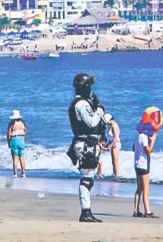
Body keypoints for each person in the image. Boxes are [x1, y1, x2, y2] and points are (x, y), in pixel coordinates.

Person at [66, 73, 106, 223]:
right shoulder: (82, 104)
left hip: (84, 143)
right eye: (89, 86)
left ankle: (86, 210)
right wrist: (100, 110)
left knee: (88, 178)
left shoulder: (77, 103)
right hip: (85, 144)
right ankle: (86, 211)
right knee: (86, 179)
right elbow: (92, 122)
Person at [133, 124, 157, 218]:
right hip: (143, 165)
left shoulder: (137, 137)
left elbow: (133, 148)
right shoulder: (144, 138)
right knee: (146, 189)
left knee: (139, 188)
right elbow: (149, 151)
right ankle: (147, 211)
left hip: (137, 164)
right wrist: (153, 141)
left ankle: (136, 210)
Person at [7, 109, 27, 178]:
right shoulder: (22, 123)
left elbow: (9, 133)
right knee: (22, 157)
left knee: (15, 158)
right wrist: (23, 139)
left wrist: (8, 141)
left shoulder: (12, 123)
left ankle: (15, 173)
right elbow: (25, 132)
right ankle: (23, 173)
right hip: (21, 139)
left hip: (14, 139)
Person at [102, 113, 121, 179]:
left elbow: (116, 138)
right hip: (113, 143)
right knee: (113, 161)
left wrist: (110, 145)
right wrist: (106, 145)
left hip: (116, 144)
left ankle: (117, 176)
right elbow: (111, 138)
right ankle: (115, 175)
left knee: (115, 161)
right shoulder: (112, 126)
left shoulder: (114, 126)